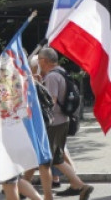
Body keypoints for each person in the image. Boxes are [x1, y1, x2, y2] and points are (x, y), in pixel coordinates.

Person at [36, 48, 93, 200]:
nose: (38, 63)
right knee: (57, 159)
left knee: (45, 162)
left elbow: (51, 101)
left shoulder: (52, 77)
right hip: (63, 120)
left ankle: (48, 196)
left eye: (39, 60)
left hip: (54, 123)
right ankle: (80, 185)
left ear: (44, 61)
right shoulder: (61, 72)